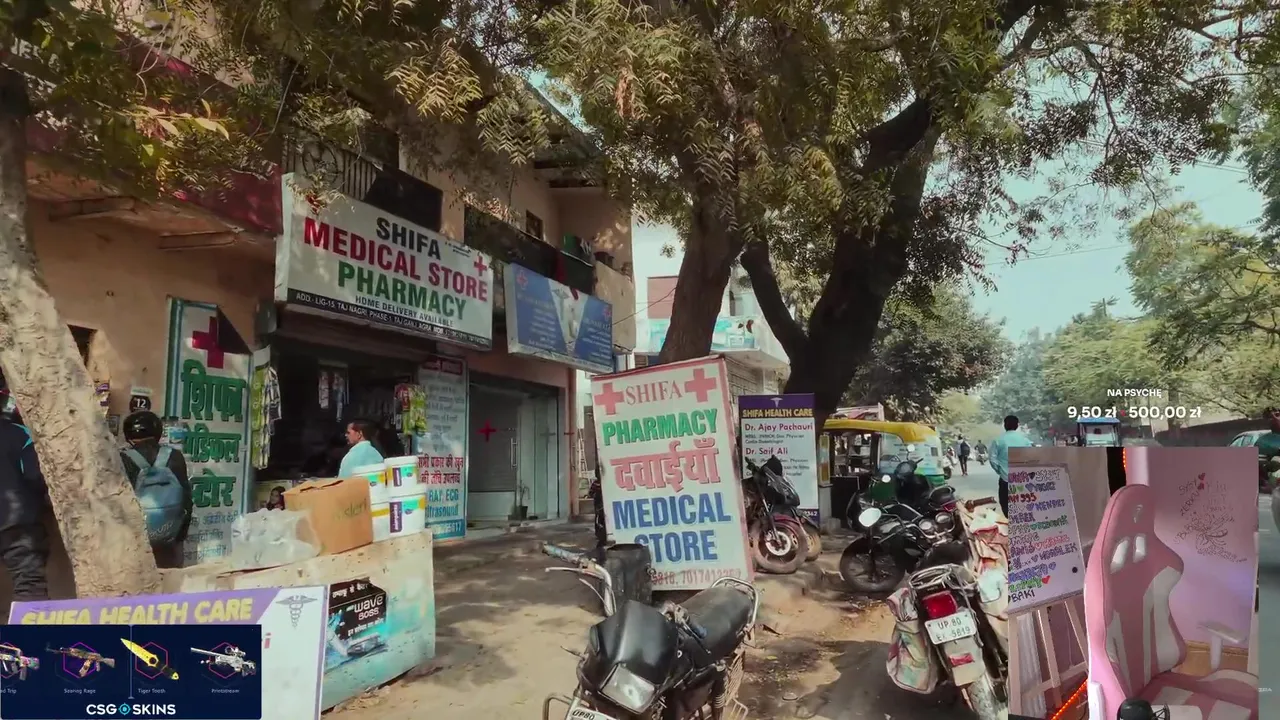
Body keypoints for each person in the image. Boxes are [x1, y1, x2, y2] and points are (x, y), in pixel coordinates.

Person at [120, 411, 193, 569]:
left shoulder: (123, 459)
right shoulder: (175, 456)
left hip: (136, 542)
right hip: (170, 539)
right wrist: (179, 535)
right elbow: (187, 499)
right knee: (171, 579)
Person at [0, 411, 51, 600]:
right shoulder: (19, 433)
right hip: (17, 525)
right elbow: (35, 476)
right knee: (29, 587)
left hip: (14, 521)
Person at [990, 414, 1034, 517]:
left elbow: (992, 459)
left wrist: (1000, 470)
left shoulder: (998, 440)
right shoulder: (1025, 441)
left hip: (1005, 479)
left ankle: (1009, 521)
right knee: (1022, 505)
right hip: (1022, 479)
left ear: (1005, 425)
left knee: (1006, 506)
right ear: (1017, 425)